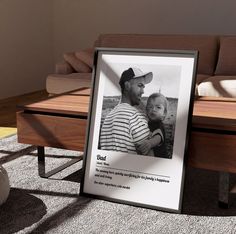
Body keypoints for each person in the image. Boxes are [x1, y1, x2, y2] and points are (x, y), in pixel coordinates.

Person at [100, 67, 153, 154]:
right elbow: (150, 158)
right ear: (127, 85)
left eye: (143, 87)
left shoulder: (108, 119)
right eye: (140, 85)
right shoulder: (135, 116)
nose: (143, 91)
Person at [136, 93, 169, 158]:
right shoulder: (147, 123)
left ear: (164, 113)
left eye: (158, 107)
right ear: (146, 110)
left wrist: (150, 143)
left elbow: (158, 137)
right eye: (150, 107)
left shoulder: (159, 125)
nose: (153, 109)